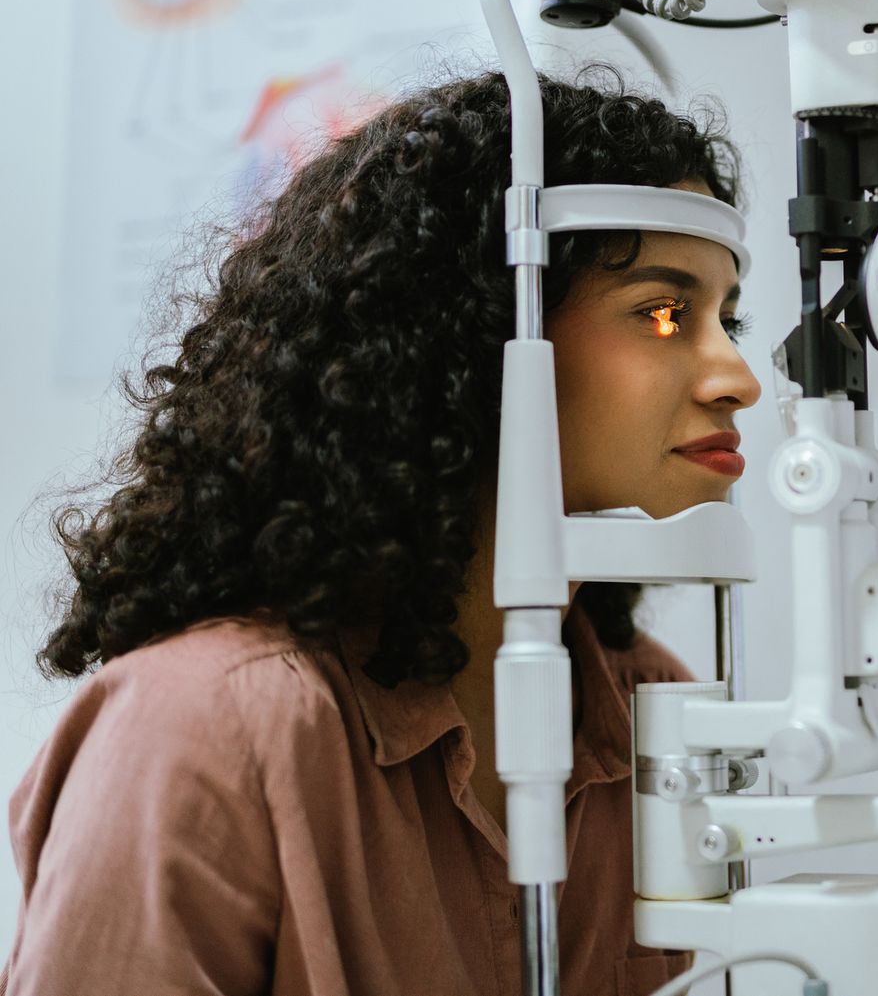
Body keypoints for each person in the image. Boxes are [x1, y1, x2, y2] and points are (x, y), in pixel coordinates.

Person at [3, 69, 763, 995]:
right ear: (484, 329)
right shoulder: (211, 729)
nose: (737, 374)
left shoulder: (650, 706)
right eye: (664, 312)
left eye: (729, 316)